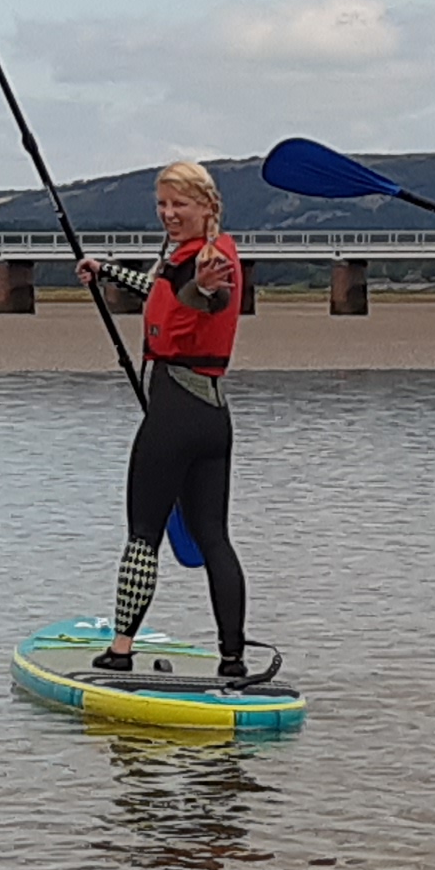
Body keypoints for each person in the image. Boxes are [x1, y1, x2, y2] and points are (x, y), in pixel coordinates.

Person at [76, 160, 274, 684]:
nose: (168, 213)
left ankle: (120, 651)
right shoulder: (201, 254)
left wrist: (205, 289)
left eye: (179, 204)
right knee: (214, 537)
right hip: (213, 414)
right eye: (162, 204)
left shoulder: (209, 264)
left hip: (175, 417)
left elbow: (206, 295)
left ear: (207, 206)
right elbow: (164, 290)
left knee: (143, 534)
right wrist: (106, 269)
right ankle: (233, 658)